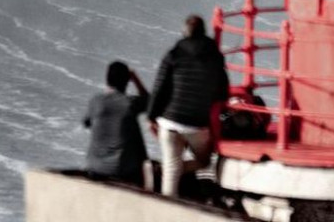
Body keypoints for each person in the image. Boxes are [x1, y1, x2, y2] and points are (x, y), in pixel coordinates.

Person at [148, 15, 229, 199]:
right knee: (204, 160)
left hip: (168, 121)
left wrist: (151, 116)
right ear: (204, 32)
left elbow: (159, 87)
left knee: (171, 167)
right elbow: (222, 93)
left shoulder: (174, 54)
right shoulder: (215, 57)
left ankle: (166, 202)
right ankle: (169, 172)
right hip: (196, 126)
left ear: (185, 32)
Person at [83, 60, 149, 186]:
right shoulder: (130, 103)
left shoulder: (95, 101)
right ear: (127, 81)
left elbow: (86, 123)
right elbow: (150, 102)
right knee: (132, 129)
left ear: (107, 79)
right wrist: (136, 79)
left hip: (94, 168)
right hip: (122, 171)